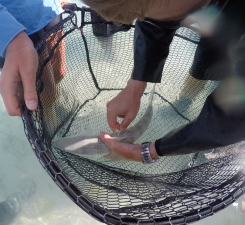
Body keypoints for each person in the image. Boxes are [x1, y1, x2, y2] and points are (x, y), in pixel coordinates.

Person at [81, 0, 245, 163]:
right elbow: (155, 22)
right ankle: (184, 102)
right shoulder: (167, 7)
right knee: (205, 63)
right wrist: (136, 85)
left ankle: (203, 140)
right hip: (223, 13)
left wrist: (149, 151)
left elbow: (238, 113)